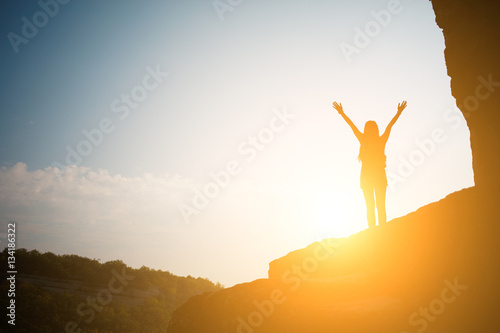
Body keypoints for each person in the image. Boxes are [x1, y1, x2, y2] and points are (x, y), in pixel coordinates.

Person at [332, 101, 407, 228]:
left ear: (366, 130)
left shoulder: (364, 140)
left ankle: (373, 232)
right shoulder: (380, 141)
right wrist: (398, 112)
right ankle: (382, 231)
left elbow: (352, 126)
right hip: (377, 176)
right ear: (376, 130)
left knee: (371, 207)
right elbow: (390, 126)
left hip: (367, 176)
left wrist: (342, 113)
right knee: (379, 206)